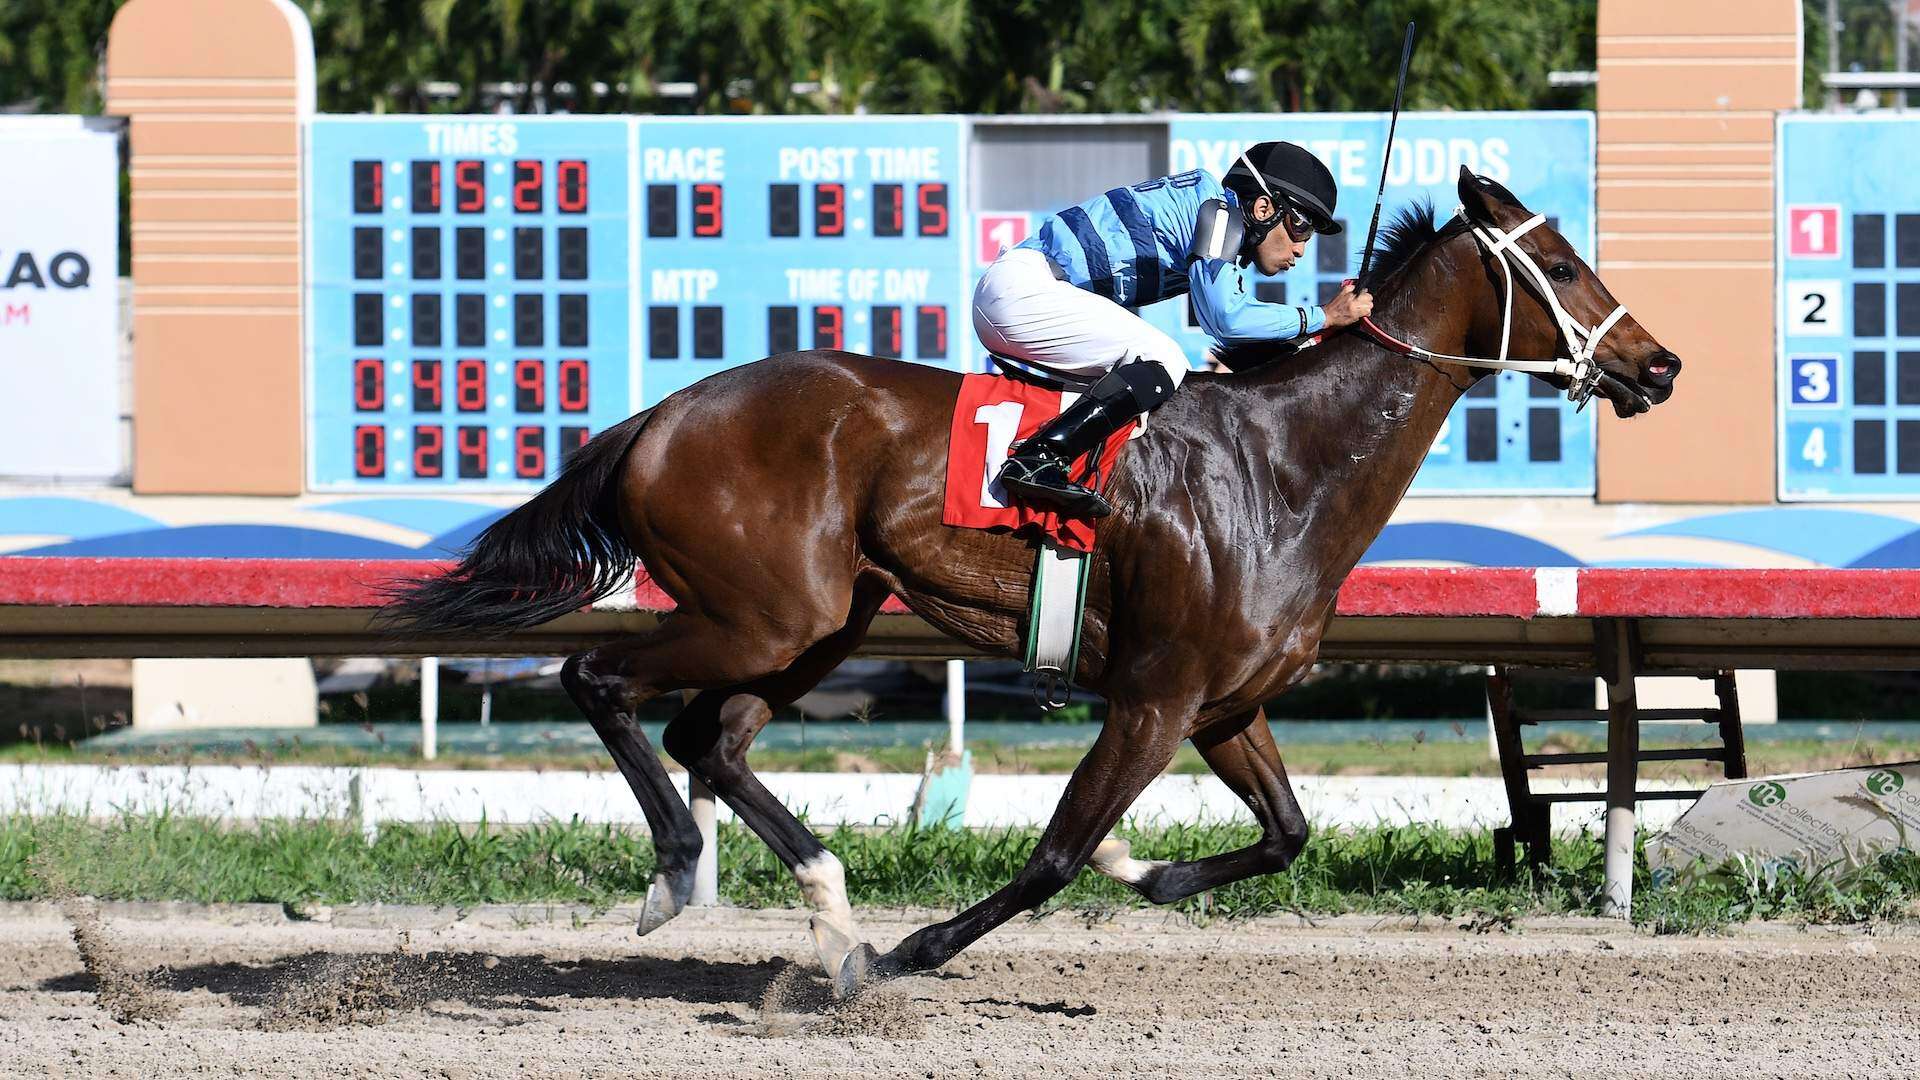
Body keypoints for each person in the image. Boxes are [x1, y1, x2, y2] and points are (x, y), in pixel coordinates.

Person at [973, 141, 1375, 518]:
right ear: (1264, 207)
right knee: (1163, 358)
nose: (1302, 249)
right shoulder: (1219, 215)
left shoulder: (1214, 214)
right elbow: (1227, 319)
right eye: (1301, 228)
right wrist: (1323, 316)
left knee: (1144, 376)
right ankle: (1039, 458)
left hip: (1023, 293)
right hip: (1023, 291)